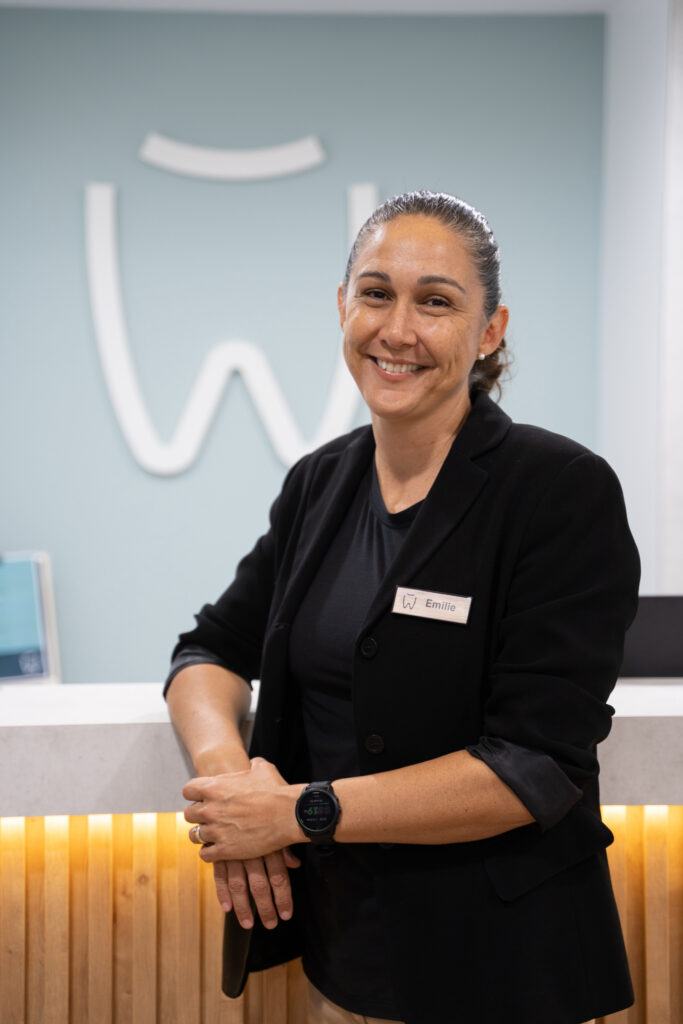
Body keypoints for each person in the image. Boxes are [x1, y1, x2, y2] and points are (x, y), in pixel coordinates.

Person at [165, 190, 639, 1024]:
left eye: (436, 302)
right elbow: (208, 650)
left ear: (489, 331)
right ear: (341, 305)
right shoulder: (320, 482)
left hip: (504, 969)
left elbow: (533, 764)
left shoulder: (558, 491)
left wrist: (298, 812)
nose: (397, 328)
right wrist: (229, 781)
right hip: (347, 957)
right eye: (376, 292)